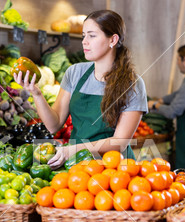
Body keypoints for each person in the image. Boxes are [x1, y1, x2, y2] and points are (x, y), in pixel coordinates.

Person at [14, 10, 148, 169]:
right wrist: (36, 93)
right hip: (77, 165)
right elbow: (53, 125)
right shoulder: (75, 73)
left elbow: (119, 142)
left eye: (92, 36)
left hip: (116, 169)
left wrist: (72, 150)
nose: (84, 41)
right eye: (84, 36)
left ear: (113, 39)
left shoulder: (132, 84)